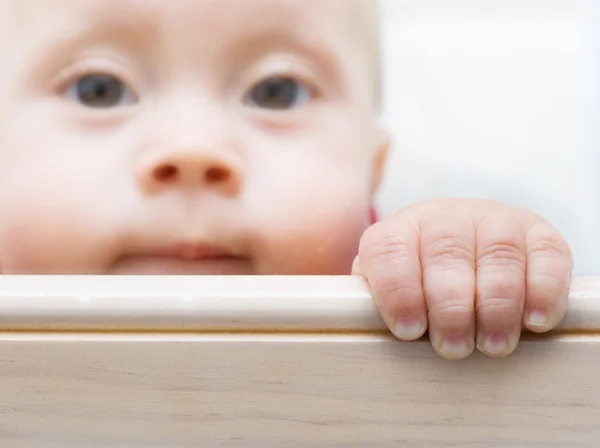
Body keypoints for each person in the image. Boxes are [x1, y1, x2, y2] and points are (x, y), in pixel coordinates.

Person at [0, 0, 572, 360]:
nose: (194, 148)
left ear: (369, 174)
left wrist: (457, 262)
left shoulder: (395, 280)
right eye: (98, 89)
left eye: (275, 92)